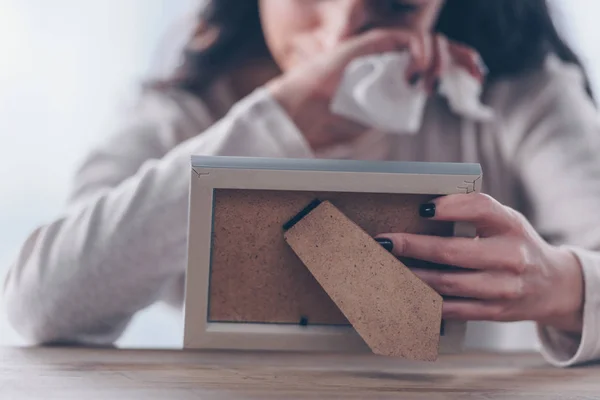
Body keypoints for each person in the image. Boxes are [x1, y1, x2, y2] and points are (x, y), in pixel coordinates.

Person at [3, 0, 600, 367]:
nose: (343, 30)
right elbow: (40, 303)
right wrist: (276, 120)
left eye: (395, 4)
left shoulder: (522, 98)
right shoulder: (184, 114)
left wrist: (567, 284)